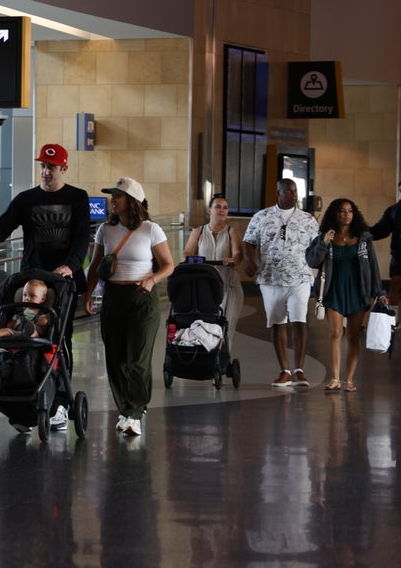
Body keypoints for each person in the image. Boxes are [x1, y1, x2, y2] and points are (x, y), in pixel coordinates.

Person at [0, 142, 90, 430]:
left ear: (63, 169)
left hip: (62, 284)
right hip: (31, 283)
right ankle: (24, 399)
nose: (46, 171)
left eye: (51, 167)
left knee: (59, 342)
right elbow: (3, 227)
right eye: (42, 166)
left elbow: (82, 238)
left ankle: (61, 404)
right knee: (22, 340)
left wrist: (71, 265)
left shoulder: (77, 198)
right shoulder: (26, 199)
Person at [84, 177, 174, 436]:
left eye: (118, 196)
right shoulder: (105, 230)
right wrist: (89, 294)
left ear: (132, 201)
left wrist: (152, 279)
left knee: (138, 358)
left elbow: (169, 264)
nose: (113, 200)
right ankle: (126, 409)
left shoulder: (151, 229)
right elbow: (94, 265)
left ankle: (134, 412)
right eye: (113, 195)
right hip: (114, 296)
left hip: (141, 297)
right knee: (115, 358)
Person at [242, 178, 320, 389]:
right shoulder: (262, 216)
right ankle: (284, 371)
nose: (293, 195)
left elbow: (317, 247)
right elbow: (249, 241)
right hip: (270, 278)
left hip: (300, 277)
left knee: (299, 320)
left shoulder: (308, 220)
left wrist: (319, 268)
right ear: (278, 194)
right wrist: (250, 262)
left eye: (295, 191)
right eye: (288, 191)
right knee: (277, 322)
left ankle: (300, 370)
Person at [306, 199, 387, 393]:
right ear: (335, 214)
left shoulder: (364, 238)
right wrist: (324, 243)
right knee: (335, 333)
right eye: (342, 211)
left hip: (358, 292)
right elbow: (311, 260)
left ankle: (349, 379)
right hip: (333, 291)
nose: (346, 214)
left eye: (350, 211)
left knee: (352, 336)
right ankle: (335, 378)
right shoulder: (325, 236)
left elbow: (373, 268)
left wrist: (379, 293)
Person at [183, 192, 245, 322]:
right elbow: (187, 252)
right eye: (218, 207)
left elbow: (238, 254)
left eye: (225, 208)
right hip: (204, 285)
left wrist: (232, 259)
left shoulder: (232, 232)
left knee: (226, 328)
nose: (222, 210)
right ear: (209, 210)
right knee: (205, 325)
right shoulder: (198, 231)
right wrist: (187, 260)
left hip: (228, 286)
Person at [368, 179, 401, 331]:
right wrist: (365, 232)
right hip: (399, 255)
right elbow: (381, 229)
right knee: (395, 284)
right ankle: (393, 319)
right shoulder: (394, 211)